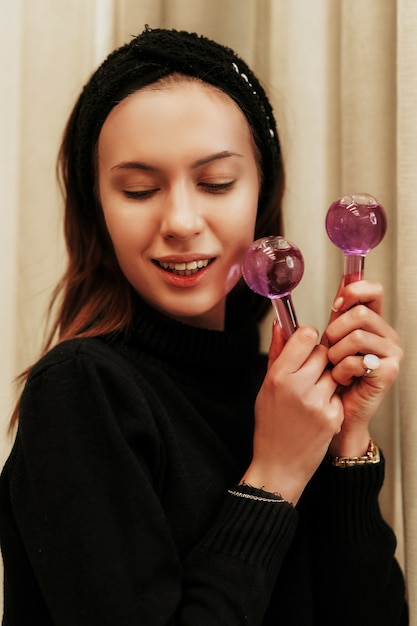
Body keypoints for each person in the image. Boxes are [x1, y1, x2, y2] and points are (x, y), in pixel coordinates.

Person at [0, 26, 408, 625]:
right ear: (97, 209)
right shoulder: (81, 392)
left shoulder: (278, 391)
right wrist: (273, 478)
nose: (182, 220)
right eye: (139, 190)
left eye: (216, 182)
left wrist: (345, 440)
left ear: (261, 190)